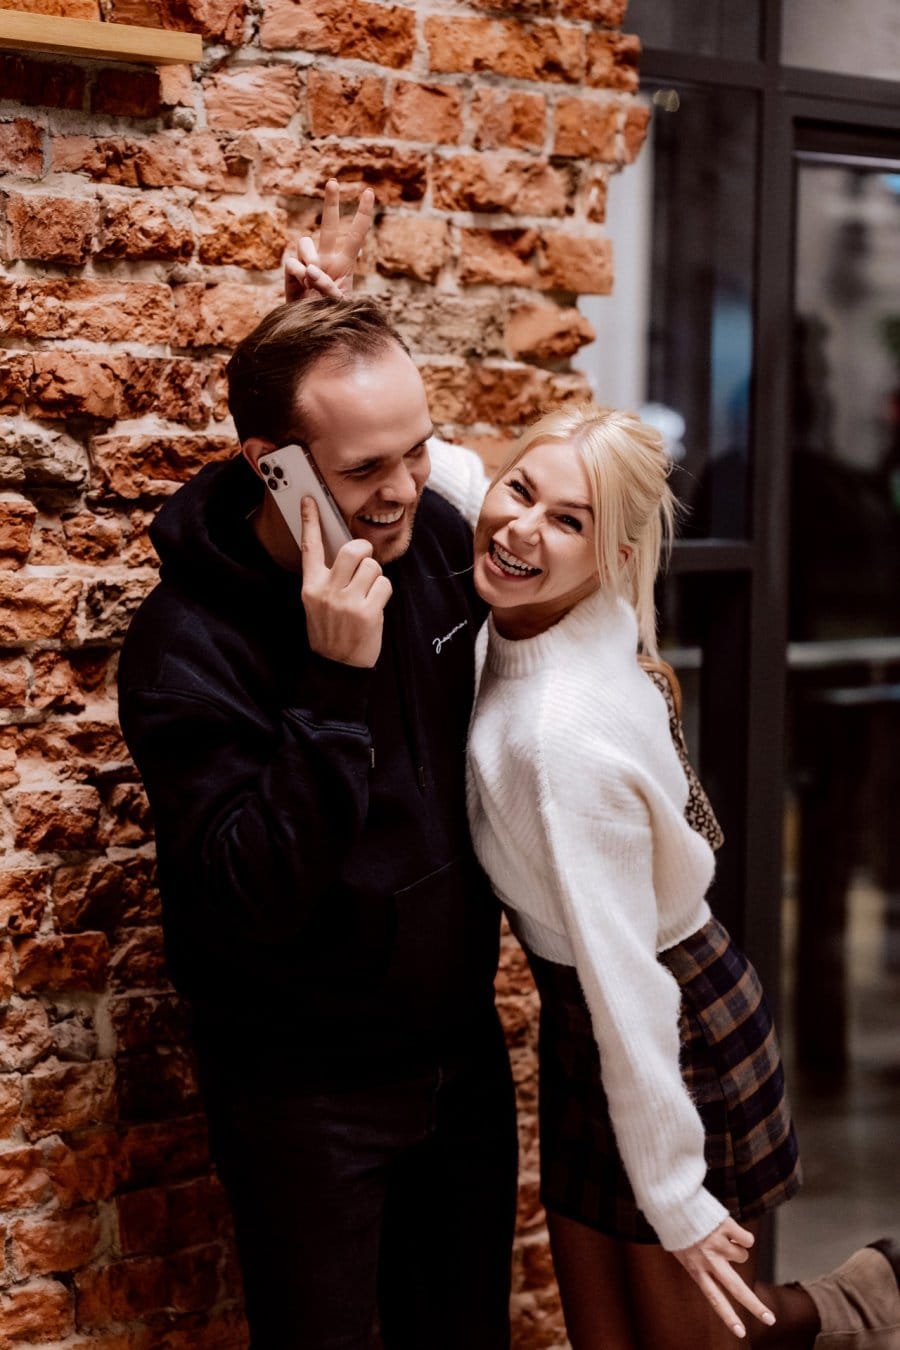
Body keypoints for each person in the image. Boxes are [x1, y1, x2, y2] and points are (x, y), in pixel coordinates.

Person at [116, 204, 518, 1345]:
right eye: (364, 467)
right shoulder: (185, 647)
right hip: (305, 1097)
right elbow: (249, 889)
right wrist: (333, 689)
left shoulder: (432, 539)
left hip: (459, 1060)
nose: (403, 489)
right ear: (270, 464)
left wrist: (325, 332)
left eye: (416, 450)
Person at [422, 406, 900, 1349]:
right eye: (523, 491)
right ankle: (858, 1299)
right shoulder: (556, 600)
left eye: (570, 521)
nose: (522, 527)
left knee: (693, 1339)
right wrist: (344, 318)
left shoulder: (556, 735)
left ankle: (852, 1304)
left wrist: (678, 1195)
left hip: (669, 1025)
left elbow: (626, 981)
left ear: (613, 556)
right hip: (586, 1023)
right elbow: (460, 475)